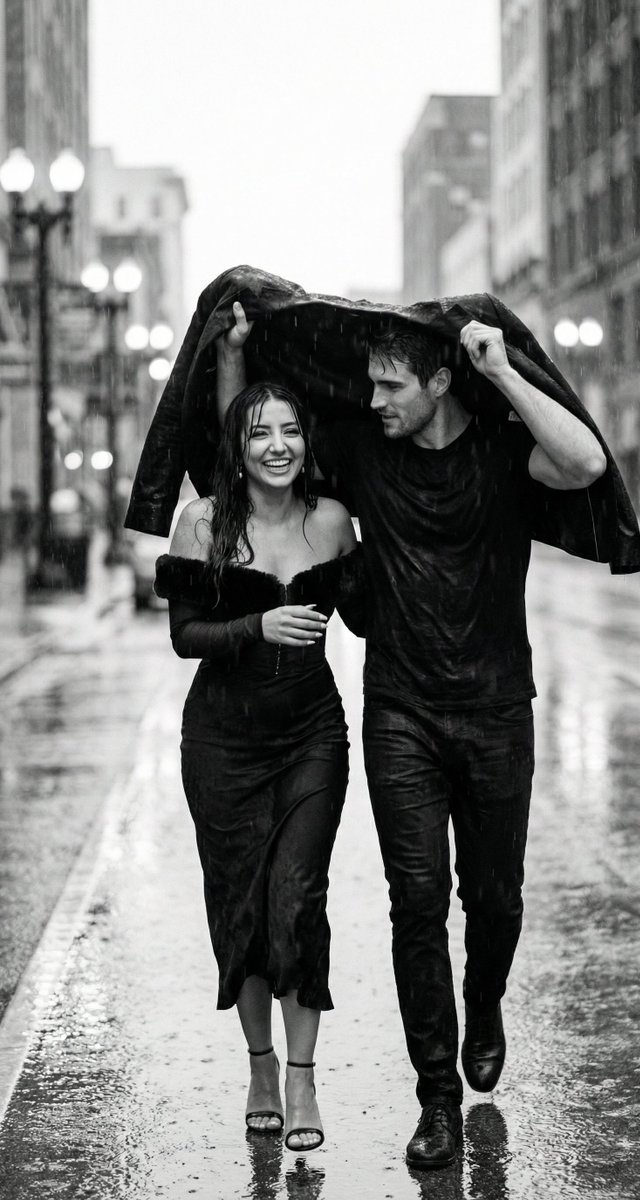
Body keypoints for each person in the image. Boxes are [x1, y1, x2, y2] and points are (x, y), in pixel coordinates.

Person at [216, 301, 610, 1170]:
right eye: (370, 383)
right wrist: (239, 355)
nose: (375, 396)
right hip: (402, 711)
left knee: (495, 897)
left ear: (440, 382)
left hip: (500, 708)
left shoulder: (507, 453)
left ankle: (488, 998)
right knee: (417, 903)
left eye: (392, 383)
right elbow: (249, 448)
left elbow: (585, 462)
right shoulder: (361, 450)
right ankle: (435, 1096)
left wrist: (503, 369)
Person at [153, 380, 364, 1153]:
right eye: (259, 434)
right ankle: (262, 1068)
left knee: (298, 899)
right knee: (241, 909)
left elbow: (373, 611)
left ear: (308, 442)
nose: (278, 445)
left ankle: (305, 1077)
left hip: (312, 734)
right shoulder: (200, 523)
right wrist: (257, 623)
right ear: (236, 450)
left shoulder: (334, 522)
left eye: (291, 431)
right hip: (221, 742)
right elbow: (185, 636)